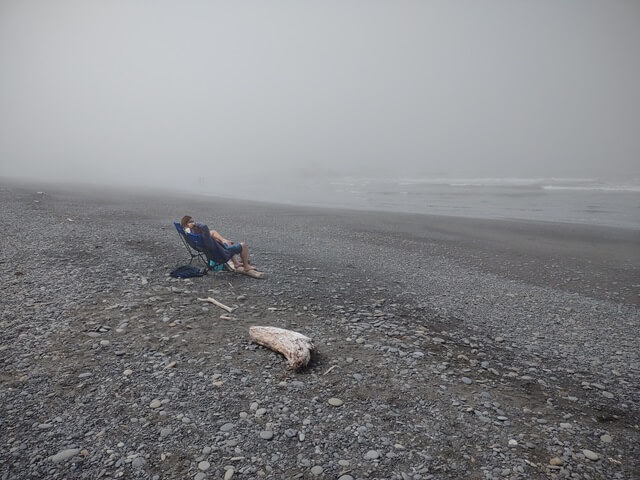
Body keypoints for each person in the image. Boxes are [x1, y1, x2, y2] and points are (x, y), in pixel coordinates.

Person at [180, 215, 255, 272]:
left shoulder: (191, 234)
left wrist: (220, 240)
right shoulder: (199, 232)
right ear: (187, 224)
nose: (193, 223)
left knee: (214, 234)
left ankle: (236, 262)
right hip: (222, 255)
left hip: (211, 253)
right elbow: (204, 227)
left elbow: (208, 239)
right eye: (191, 222)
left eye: (193, 221)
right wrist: (196, 225)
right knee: (243, 245)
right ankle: (246, 266)